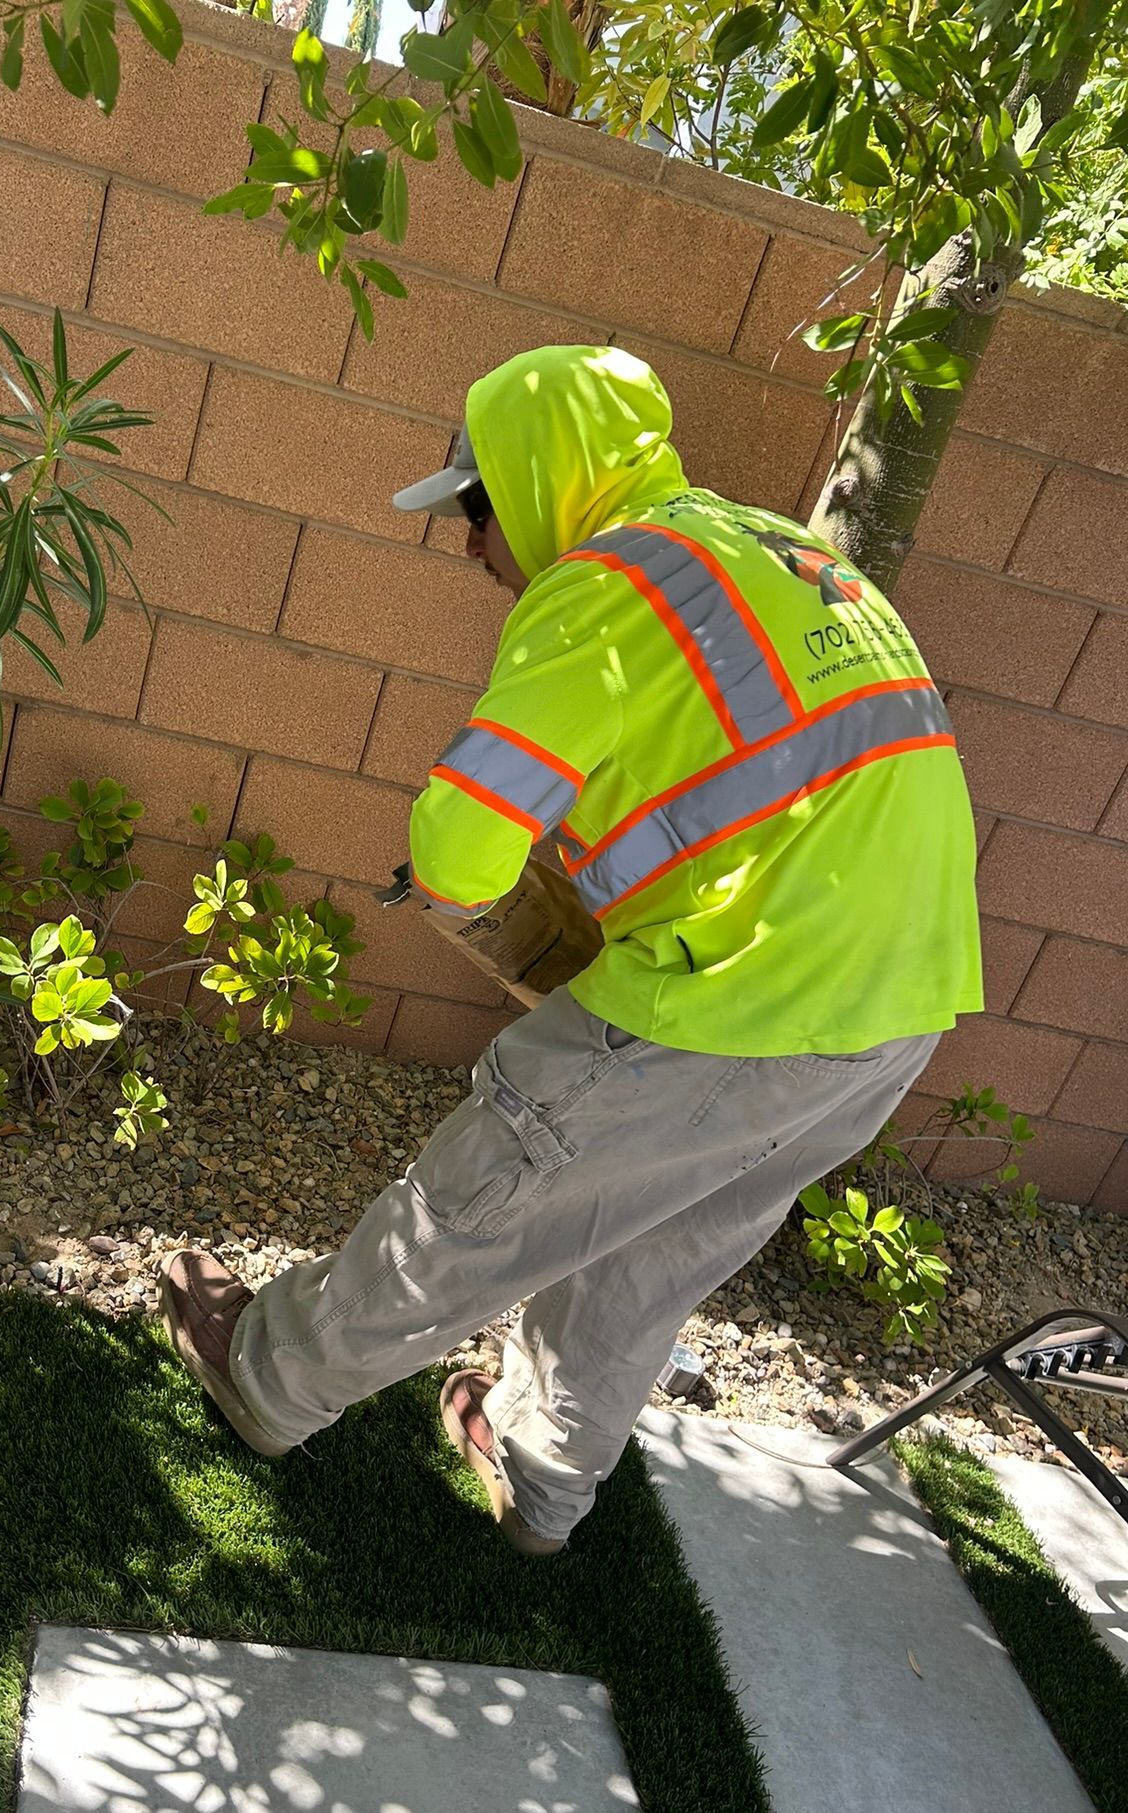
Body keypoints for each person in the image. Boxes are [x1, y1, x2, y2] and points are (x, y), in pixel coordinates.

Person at [158, 343, 983, 1556]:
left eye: (471, 516)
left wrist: (489, 895)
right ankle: (542, 1478)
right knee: (654, 1245)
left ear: (535, 482)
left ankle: (268, 1377)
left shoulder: (612, 582)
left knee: (490, 1188)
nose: (469, 549)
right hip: (899, 1005)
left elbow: (462, 841)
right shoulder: (773, 554)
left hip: (739, 992)